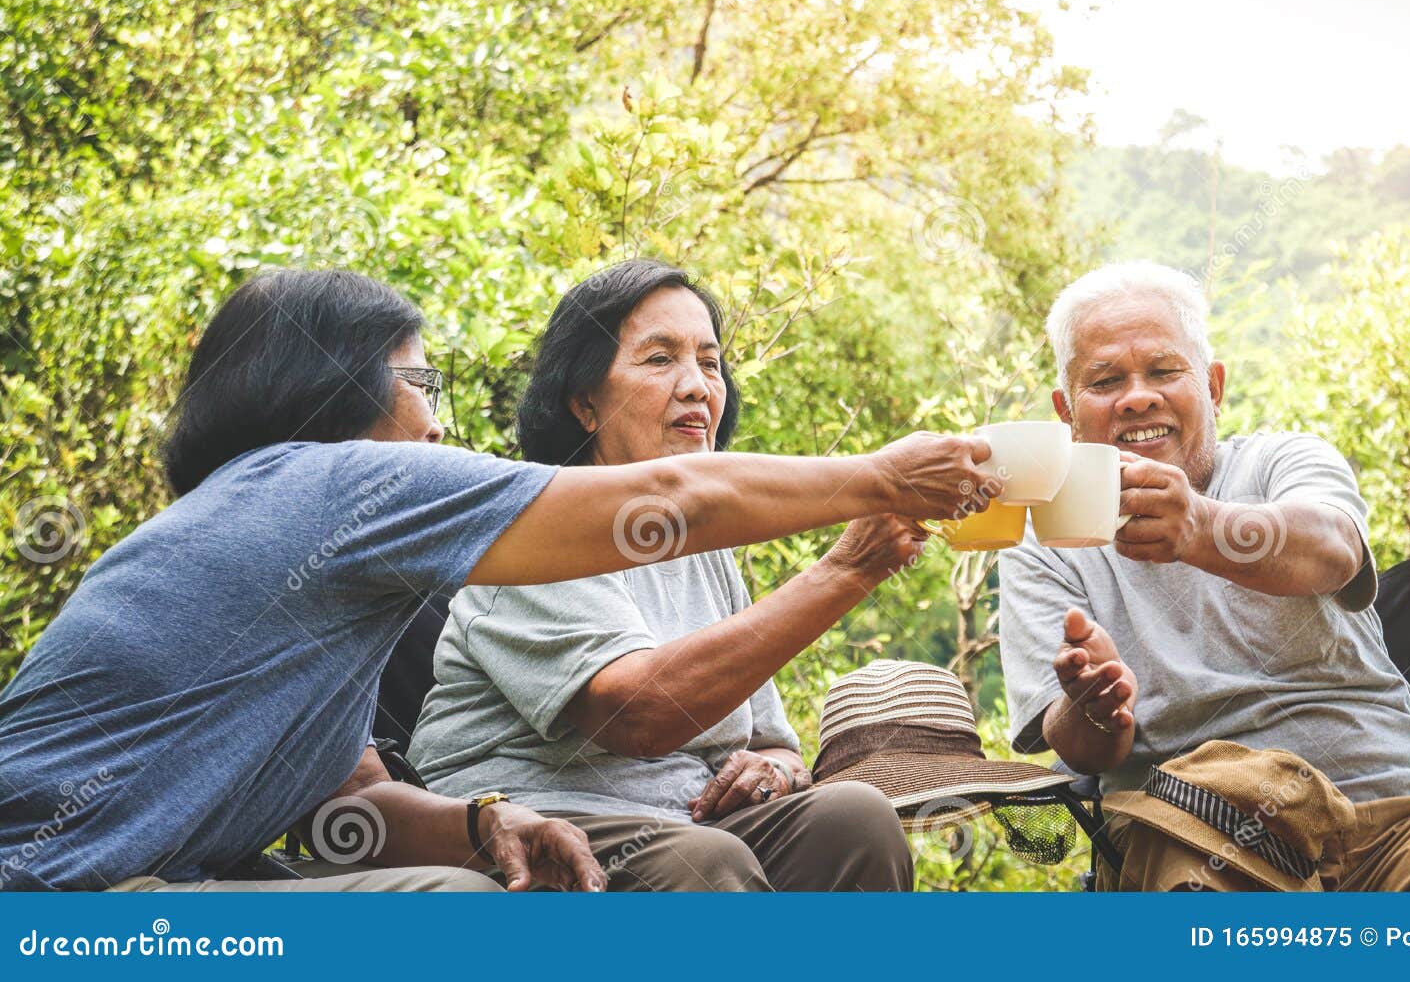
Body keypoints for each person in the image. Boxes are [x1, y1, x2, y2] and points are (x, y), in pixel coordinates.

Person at [0, 268, 996, 892]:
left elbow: (344, 802)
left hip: (154, 880)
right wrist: (877, 478)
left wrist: (482, 820)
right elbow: (679, 503)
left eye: (710, 358)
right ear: (333, 391)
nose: (438, 422)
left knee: (838, 818)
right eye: (420, 384)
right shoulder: (326, 479)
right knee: (460, 909)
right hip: (62, 895)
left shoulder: (282, 540)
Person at [998, 261, 1410, 891]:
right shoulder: (1043, 543)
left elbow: (1333, 549)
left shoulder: (1284, 461)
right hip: (1204, 836)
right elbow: (1073, 747)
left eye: (1165, 371)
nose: (1139, 395)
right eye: (1106, 379)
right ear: (1067, 410)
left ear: (1214, 387)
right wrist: (1093, 708)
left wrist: (1199, 528)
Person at [404, 260, 920, 891]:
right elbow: (640, 714)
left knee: (856, 818)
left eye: (710, 362)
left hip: (688, 817)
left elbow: (772, 741)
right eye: (659, 360)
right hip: (532, 816)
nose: (698, 386)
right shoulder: (538, 523)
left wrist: (773, 769)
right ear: (584, 403)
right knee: (702, 862)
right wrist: (849, 569)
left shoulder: (706, 547)